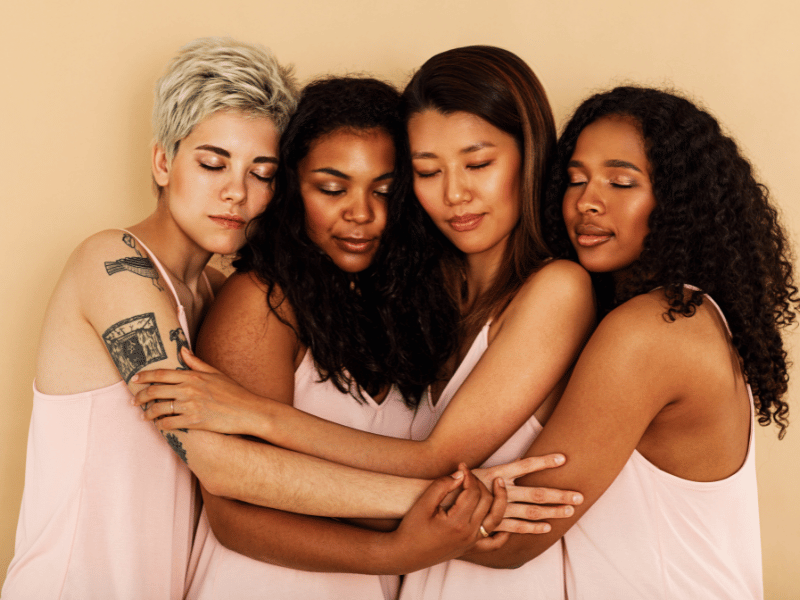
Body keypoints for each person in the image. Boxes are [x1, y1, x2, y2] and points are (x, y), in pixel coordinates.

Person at [137, 46, 593, 599]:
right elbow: (234, 512)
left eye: (385, 190)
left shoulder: (431, 303)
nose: (361, 212)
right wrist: (407, 541)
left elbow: (433, 460)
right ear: (288, 189)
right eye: (331, 188)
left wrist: (259, 416)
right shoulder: (261, 302)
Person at [456, 86, 796, 598]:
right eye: (575, 180)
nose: (588, 201)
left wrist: (338, 502)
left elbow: (509, 539)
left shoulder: (654, 329)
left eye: (620, 181)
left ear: (681, 201)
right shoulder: (691, 317)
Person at [2, 37, 298, 599]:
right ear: (163, 162)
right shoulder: (112, 264)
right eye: (213, 163)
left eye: (262, 172)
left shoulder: (217, 293)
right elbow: (220, 463)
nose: (237, 191)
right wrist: (418, 493)